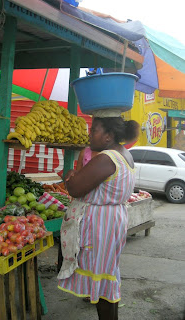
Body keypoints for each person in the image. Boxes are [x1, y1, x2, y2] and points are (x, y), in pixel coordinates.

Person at [57, 111, 140, 320]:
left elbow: (75, 188)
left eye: (94, 130)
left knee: (103, 282)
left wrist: (69, 176)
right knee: (108, 277)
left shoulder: (106, 158)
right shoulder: (124, 154)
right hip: (111, 222)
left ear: (108, 136)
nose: (89, 135)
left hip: (100, 227)